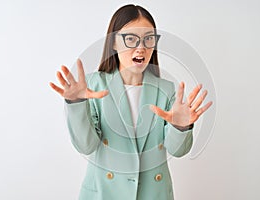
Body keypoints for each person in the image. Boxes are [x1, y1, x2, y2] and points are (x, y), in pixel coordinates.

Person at [50, 4, 212, 200]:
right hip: (104, 194)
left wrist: (181, 126)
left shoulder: (166, 90)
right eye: (131, 39)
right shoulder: (95, 85)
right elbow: (86, 146)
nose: (141, 47)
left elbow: (178, 151)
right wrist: (75, 104)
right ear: (114, 43)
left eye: (148, 39)